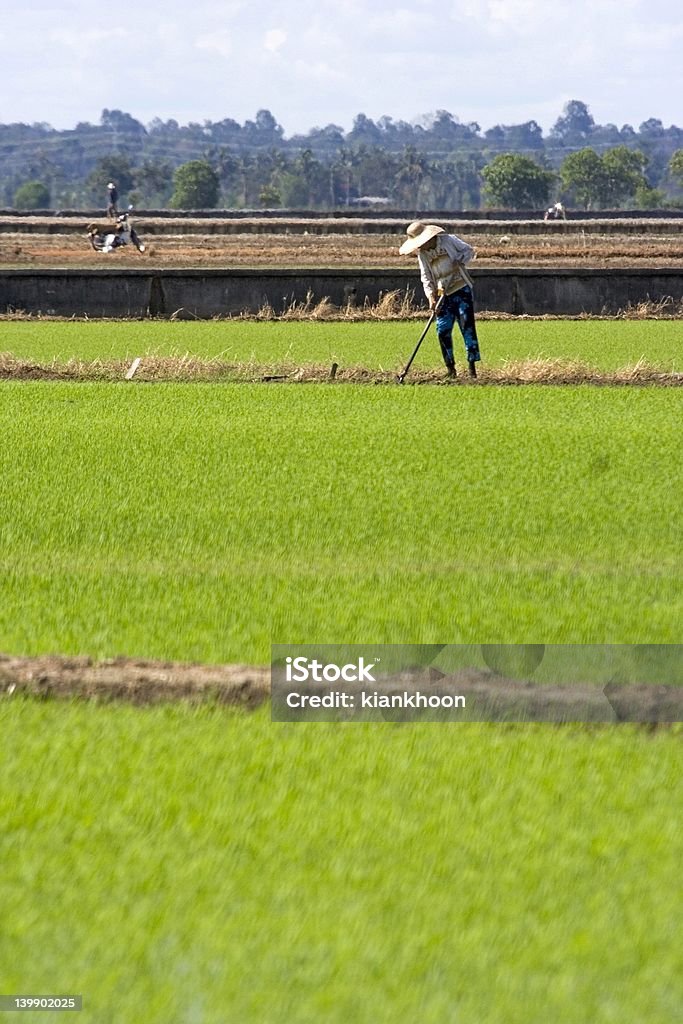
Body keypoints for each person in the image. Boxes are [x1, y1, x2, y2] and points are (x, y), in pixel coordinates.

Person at [399, 221, 480, 378]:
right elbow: (426, 276)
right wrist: (430, 296)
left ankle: (472, 369)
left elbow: (468, 251)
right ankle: (450, 369)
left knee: (467, 327)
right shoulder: (423, 254)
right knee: (442, 330)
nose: (421, 246)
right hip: (443, 294)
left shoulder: (449, 240)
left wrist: (459, 261)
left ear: (429, 238)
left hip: (461, 289)